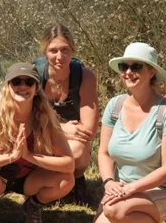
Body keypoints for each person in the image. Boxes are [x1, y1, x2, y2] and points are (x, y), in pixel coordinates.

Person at [96, 43, 166, 223]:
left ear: (151, 72)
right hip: (126, 190)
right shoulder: (115, 106)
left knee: (115, 210)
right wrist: (109, 182)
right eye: (124, 66)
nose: (128, 72)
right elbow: (104, 153)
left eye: (136, 66)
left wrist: (131, 189)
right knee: (112, 214)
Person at [0, 62, 76, 223]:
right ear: (8, 86)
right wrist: (11, 156)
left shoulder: (46, 118)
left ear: (37, 88)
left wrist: (29, 156)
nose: (22, 86)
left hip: (30, 178)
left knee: (67, 180)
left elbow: (69, 164)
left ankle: (34, 204)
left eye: (29, 82)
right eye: (16, 82)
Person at [35, 24, 99, 206]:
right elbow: (27, 120)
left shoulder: (84, 77)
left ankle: (76, 181)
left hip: (71, 142)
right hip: (42, 137)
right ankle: (50, 185)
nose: (59, 57)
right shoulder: (35, 76)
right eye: (53, 51)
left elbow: (89, 130)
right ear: (45, 52)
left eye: (64, 50)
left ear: (72, 49)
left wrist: (61, 133)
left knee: (78, 151)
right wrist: (63, 129)